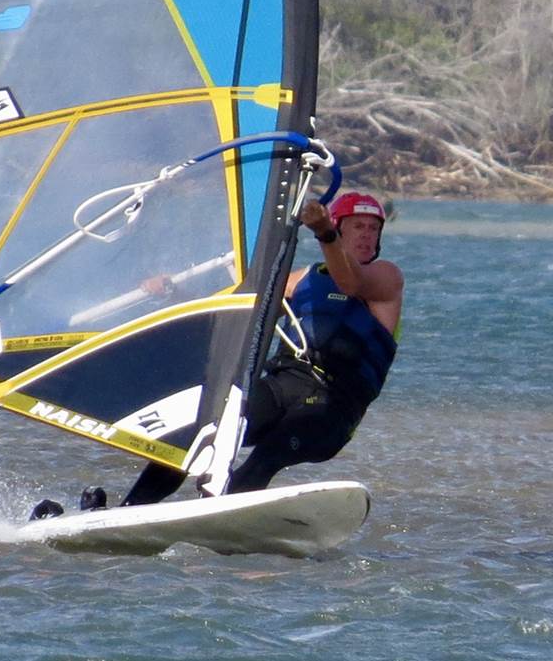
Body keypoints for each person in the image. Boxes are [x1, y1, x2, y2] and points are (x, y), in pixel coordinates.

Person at [115, 188, 403, 508]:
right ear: (340, 227)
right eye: (358, 226)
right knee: (200, 432)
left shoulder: (386, 277)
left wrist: (324, 232)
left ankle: (218, 517)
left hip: (333, 406)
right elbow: (235, 311)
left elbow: (350, 282)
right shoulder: (302, 281)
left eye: (373, 228)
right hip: (283, 385)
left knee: (268, 455)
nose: (366, 234)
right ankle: (128, 511)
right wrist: (173, 291)